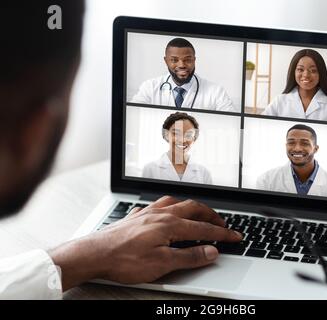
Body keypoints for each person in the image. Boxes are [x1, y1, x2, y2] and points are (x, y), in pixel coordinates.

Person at [0, 1, 242, 299]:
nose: (181, 65)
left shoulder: (213, 98)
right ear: (35, 132)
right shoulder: (151, 102)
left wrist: (86, 255)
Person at [131, 38, 237, 112]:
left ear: (194, 60)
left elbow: (232, 122)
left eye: (188, 60)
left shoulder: (216, 91)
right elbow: (133, 114)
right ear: (166, 61)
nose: (181, 65)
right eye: (174, 60)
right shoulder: (149, 87)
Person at [261, 49, 327, 123]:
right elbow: (262, 124)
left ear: (321, 73)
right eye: (300, 69)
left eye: (313, 70)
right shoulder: (279, 101)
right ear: (293, 72)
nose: (306, 75)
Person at [257, 124, 327, 197]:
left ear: (315, 149)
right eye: (291, 143)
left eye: (305, 143)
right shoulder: (266, 180)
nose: (297, 149)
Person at [143, 112, 212, 184]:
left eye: (188, 135)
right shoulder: (150, 169)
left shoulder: (204, 173)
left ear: (194, 139)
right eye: (176, 133)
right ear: (166, 135)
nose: (182, 140)